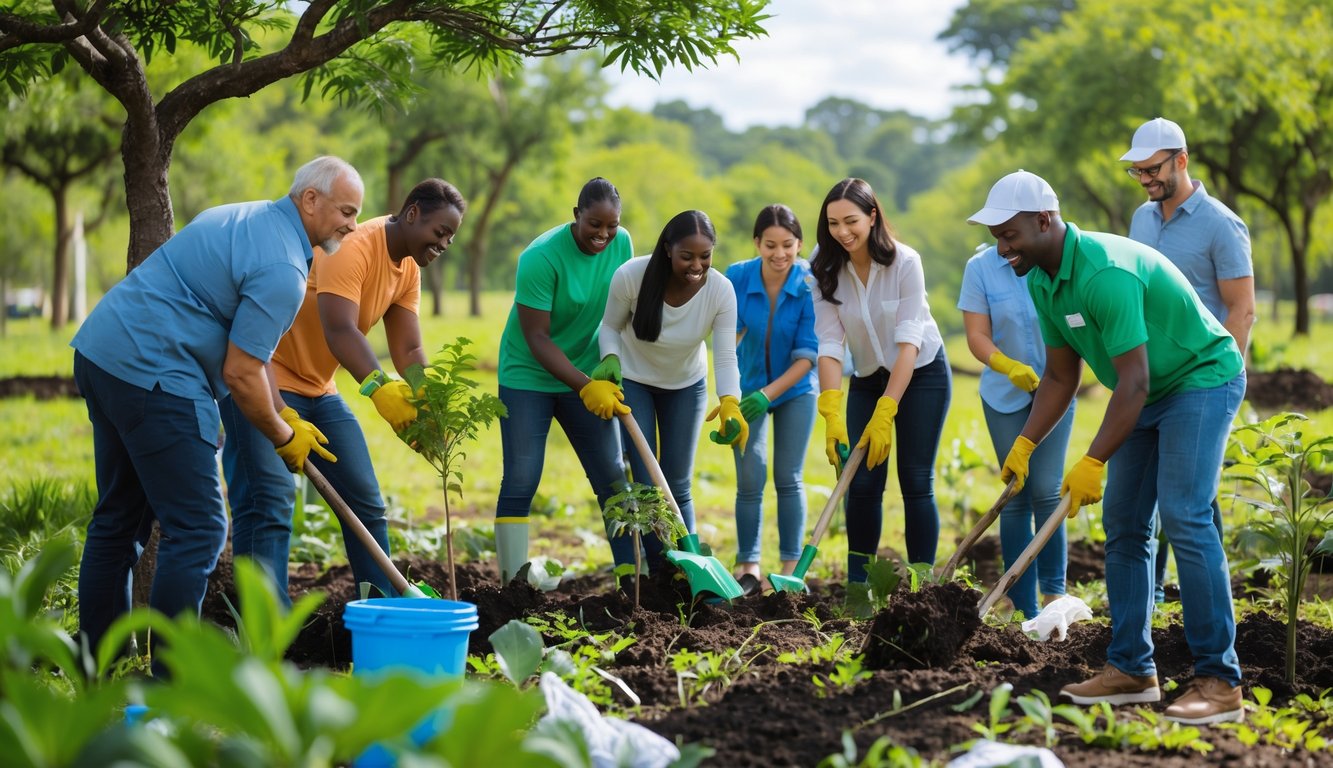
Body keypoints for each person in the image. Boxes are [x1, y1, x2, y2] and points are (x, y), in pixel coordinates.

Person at [970, 170, 1246, 725]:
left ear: (1044, 221)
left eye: (1009, 235)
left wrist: (1093, 458)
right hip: (1145, 390)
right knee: (1123, 525)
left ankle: (1220, 680)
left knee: (1185, 515)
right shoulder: (1044, 281)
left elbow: (1134, 382)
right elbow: (1059, 378)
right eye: (997, 237)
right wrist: (1025, 443)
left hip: (1199, 378)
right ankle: (1131, 669)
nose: (1003, 249)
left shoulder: (1104, 272)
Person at [71, 155, 363, 665]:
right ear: (310, 199)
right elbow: (240, 372)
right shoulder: (285, 270)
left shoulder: (242, 216)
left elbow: (252, 353)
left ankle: (99, 665)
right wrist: (281, 432)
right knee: (200, 528)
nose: (352, 224)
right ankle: (171, 678)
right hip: (155, 374)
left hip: (103, 353)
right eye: (346, 210)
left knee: (118, 520)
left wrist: (282, 412)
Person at [220, 178, 465, 603]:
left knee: (366, 504)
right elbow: (340, 329)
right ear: (411, 215)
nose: (444, 243)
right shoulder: (356, 245)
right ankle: (265, 632)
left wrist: (430, 401)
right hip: (265, 379)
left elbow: (408, 347)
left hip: (319, 388)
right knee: (269, 507)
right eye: (439, 232)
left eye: (450, 237)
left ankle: (383, 613)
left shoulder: (407, 267)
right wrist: (379, 388)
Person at [1121, 117, 1256, 604]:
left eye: (1153, 169)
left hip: (1201, 379)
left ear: (1181, 159)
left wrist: (1224, 382)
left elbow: (1241, 310)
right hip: (1151, 379)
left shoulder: (1221, 224)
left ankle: (1204, 606)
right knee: (1185, 494)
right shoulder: (1141, 218)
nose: (1146, 179)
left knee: (1185, 503)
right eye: (1137, 172)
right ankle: (1164, 595)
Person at [811, 178, 951, 581]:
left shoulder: (905, 263)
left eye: (851, 220)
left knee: (915, 480)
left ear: (873, 216)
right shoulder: (823, 269)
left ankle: (922, 586)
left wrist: (887, 410)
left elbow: (909, 341)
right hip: (869, 377)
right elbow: (829, 343)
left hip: (923, 374)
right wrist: (831, 408)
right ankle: (859, 589)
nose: (842, 232)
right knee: (863, 484)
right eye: (833, 223)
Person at [495, 178, 633, 583]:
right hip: (528, 375)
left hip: (587, 372)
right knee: (522, 477)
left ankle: (633, 577)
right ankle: (511, 585)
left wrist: (608, 365)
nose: (603, 235)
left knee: (612, 476)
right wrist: (584, 385)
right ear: (576, 215)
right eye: (594, 225)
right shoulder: (540, 257)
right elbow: (537, 338)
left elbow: (621, 310)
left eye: (611, 226)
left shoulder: (622, 243)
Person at [595, 209, 743, 569]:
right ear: (667, 250)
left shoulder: (720, 291)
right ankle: (661, 572)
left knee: (677, 481)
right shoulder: (631, 277)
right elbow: (609, 327)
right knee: (648, 483)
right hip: (634, 380)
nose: (697, 265)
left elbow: (725, 355)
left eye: (705, 256)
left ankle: (687, 569)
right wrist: (610, 360)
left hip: (686, 385)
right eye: (687, 256)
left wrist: (730, 401)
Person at [958, 242, 1074, 619]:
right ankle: (1022, 604)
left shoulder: (1053, 259)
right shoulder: (980, 268)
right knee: (1016, 493)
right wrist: (1006, 365)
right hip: (1003, 392)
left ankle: (1054, 594)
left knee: (1047, 490)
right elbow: (976, 335)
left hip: (1056, 387)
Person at [724, 205, 818, 594]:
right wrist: (730, 398)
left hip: (795, 390)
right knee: (750, 473)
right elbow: (724, 340)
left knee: (788, 476)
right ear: (756, 244)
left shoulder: (811, 284)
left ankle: (791, 570)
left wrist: (769, 394)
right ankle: (749, 568)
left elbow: (808, 355)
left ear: (800, 244)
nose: (780, 254)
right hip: (747, 390)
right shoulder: (736, 277)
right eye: (770, 245)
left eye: (788, 245)